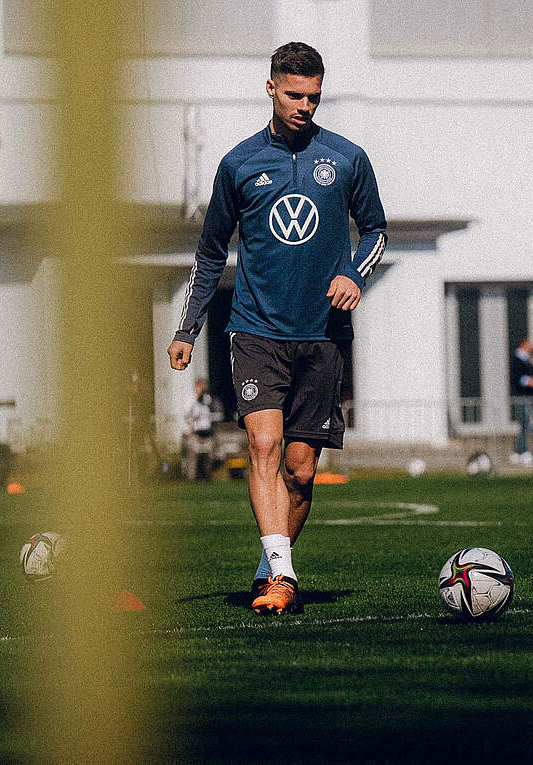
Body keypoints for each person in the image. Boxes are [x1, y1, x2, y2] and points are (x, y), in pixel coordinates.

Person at [166, 42, 387, 615]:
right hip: (255, 329)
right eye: (294, 94)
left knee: (301, 470)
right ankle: (284, 575)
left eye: (313, 97)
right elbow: (210, 253)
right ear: (271, 88)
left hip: (323, 335)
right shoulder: (238, 164)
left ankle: (270, 567)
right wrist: (188, 328)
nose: (304, 106)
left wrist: (353, 274)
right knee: (263, 444)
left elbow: (376, 231)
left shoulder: (347, 159)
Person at [184, 378, 223, 481]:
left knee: (209, 456)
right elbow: (187, 415)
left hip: (207, 432)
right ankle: (192, 478)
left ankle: (207, 476)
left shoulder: (208, 400)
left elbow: (217, 413)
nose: (203, 389)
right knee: (193, 457)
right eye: (201, 387)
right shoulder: (191, 400)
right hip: (195, 433)